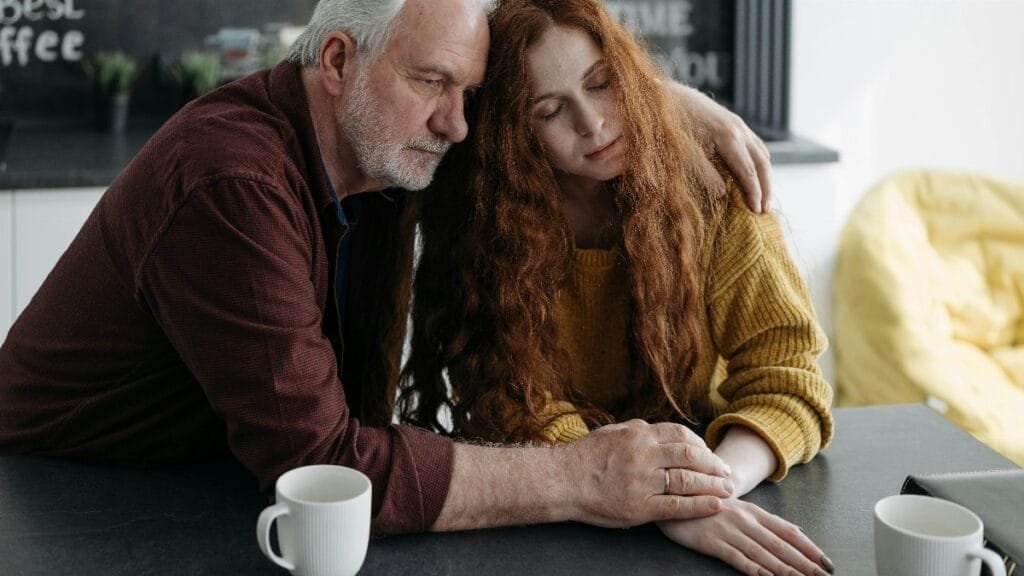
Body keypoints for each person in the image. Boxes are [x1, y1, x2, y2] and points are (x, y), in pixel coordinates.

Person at [0, 0, 766, 538]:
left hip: (206, 486)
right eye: (432, 83)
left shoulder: (386, 145)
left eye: (466, 93)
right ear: (337, 59)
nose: (456, 123)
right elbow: (326, 469)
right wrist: (585, 478)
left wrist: (658, 101)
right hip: (58, 504)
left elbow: (540, 68)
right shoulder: (231, 184)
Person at [398, 0, 835, 574]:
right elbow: (510, 407)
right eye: (550, 111)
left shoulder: (711, 184)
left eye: (602, 84)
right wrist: (641, 492)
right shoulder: (491, 222)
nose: (593, 123)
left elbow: (790, 380)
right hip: (561, 514)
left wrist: (702, 494)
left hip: (717, 485)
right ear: (512, 132)